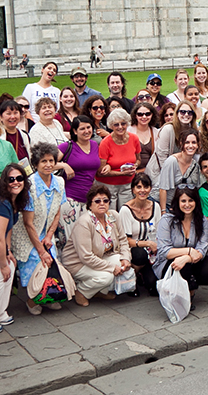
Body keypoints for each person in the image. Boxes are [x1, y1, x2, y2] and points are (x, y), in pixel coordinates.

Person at [14, 143, 66, 314]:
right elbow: (28, 223)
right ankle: (31, 300)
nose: (48, 164)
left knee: (53, 260)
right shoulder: (29, 185)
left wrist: (50, 236)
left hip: (47, 232)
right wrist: (41, 250)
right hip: (27, 233)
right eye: (43, 161)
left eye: (51, 160)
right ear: (36, 164)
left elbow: (57, 212)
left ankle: (47, 296)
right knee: (37, 260)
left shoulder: (59, 181)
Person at [60, 183, 131, 305]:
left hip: (100, 256)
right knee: (106, 277)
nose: (102, 203)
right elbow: (86, 256)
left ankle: (97, 291)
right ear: (90, 204)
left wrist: (126, 258)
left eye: (105, 200)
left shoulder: (113, 216)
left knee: (124, 266)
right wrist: (111, 267)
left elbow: (123, 240)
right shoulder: (85, 222)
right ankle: (81, 291)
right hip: (78, 262)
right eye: (97, 201)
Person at [153, 187, 208, 303]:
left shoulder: (202, 220)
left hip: (193, 259)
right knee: (182, 266)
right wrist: (189, 251)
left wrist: (187, 257)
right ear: (177, 202)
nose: (187, 204)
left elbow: (203, 246)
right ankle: (184, 293)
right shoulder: (167, 220)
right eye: (183, 201)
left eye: (191, 200)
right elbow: (164, 251)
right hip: (169, 261)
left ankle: (191, 285)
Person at [57, 115, 102, 243]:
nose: (86, 131)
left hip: (89, 200)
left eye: (89, 127)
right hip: (70, 199)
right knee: (71, 238)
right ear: (75, 131)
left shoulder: (94, 145)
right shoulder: (67, 146)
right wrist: (64, 165)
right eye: (82, 128)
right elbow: (44, 164)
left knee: (86, 237)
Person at [118, 173, 161, 296]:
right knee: (140, 254)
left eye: (146, 187)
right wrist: (146, 243)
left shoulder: (155, 207)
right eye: (139, 187)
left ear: (150, 189)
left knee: (153, 285)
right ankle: (132, 278)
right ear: (133, 189)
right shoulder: (126, 210)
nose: (142, 190)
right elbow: (125, 240)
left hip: (152, 250)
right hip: (134, 249)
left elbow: (159, 232)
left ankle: (145, 276)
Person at [0, 164, 28, 329]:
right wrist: (3, 263)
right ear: (5, 182)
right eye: (11, 179)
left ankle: (1, 313)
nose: (15, 182)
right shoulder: (3, 203)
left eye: (19, 178)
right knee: (4, 272)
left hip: (3, 245)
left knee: (10, 266)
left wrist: (9, 252)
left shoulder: (14, 202)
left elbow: (8, 230)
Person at [97, 109, 141, 210]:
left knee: (125, 212)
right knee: (110, 214)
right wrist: (123, 173)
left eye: (123, 124)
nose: (120, 127)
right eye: (116, 125)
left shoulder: (134, 138)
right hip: (108, 186)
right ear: (111, 126)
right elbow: (100, 171)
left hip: (127, 185)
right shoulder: (105, 143)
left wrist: (135, 166)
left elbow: (138, 159)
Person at [146, 101, 196, 187]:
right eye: (183, 112)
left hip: (180, 175)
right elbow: (162, 156)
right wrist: (171, 177)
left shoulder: (193, 131)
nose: (186, 114)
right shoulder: (168, 129)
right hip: (160, 174)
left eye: (189, 112)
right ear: (177, 113)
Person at [158, 130, 202, 212]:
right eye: (187, 142)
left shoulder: (195, 165)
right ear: (181, 144)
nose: (191, 145)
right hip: (166, 204)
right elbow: (162, 189)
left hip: (182, 206)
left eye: (194, 142)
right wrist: (163, 211)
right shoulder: (172, 161)